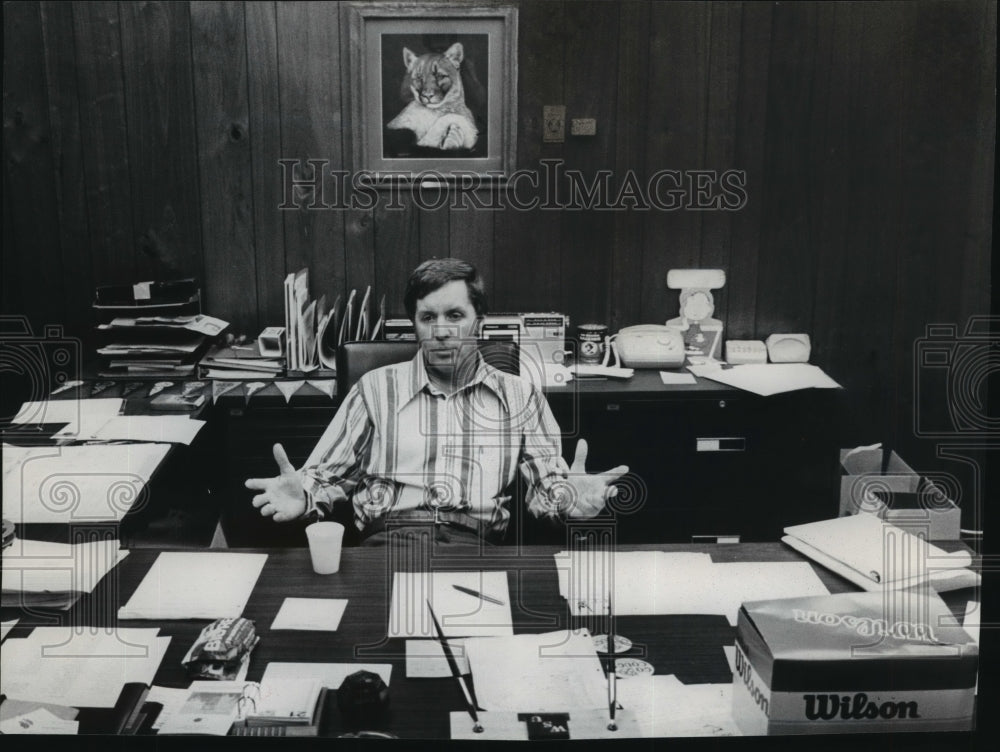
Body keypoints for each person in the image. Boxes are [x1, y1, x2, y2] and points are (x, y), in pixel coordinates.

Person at [245, 258, 628, 545]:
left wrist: (569, 499)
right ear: (414, 323)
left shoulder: (520, 395)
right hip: (386, 543)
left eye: (455, 315)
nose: (441, 330)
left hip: (473, 547)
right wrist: (304, 497)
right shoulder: (374, 389)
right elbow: (325, 476)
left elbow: (548, 489)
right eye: (428, 317)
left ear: (480, 320)